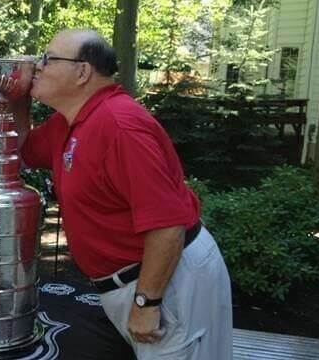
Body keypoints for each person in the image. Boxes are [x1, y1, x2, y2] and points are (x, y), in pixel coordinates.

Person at [13, 29, 232, 359]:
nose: (37, 65)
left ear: (83, 71)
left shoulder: (120, 125)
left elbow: (167, 224)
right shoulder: (69, 123)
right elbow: (23, 150)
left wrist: (147, 301)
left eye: (48, 58)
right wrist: (18, 96)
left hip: (167, 281)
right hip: (134, 282)